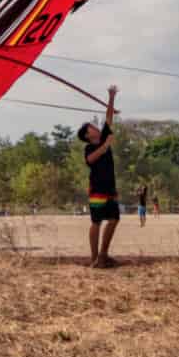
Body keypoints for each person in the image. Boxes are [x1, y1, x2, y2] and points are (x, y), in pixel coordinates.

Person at [80, 86, 121, 268]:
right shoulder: (89, 148)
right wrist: (105, 146)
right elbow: (91, 159)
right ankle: (94, 258)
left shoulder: (105, 136)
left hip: (110, 188)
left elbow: (109, 117)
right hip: (97, 189)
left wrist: (111, 97)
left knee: (114, 219)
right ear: (88, 136)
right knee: (96, 222)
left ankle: (103, 255)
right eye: (92, 128)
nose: (96, 127)